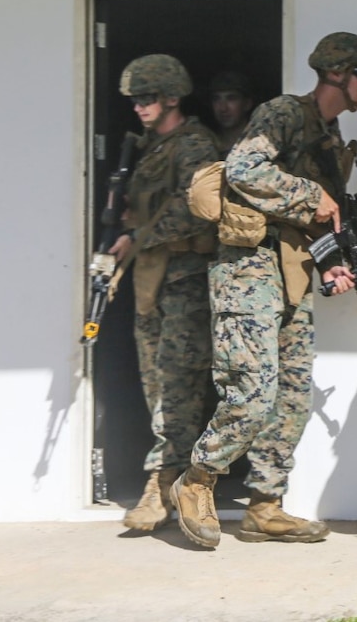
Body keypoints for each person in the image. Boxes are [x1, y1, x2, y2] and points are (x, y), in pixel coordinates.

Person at [171, 32, 357, 549]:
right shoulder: (284, 113)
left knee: (290, 396)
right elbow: (245, 168)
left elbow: (316, 219)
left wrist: (334, 263)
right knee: (252, 389)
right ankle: (196, 479)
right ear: (337, 73)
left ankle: (265, 506)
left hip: (292, 271)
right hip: (247, 269)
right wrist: (312, 194)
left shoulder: (330, 137)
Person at [111, 54, 220, 532]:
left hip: (184, 283)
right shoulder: (150, 149)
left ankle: (161, 486)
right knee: (157, 386)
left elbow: (193, 208)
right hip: (151, 281)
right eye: (134, 99)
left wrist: (138, 237)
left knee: (178, 387)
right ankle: (170, 482)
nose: (138, 107)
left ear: (172, 97)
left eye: (146, 98)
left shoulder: (195, 144)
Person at [208, 70, 255, 156]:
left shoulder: (260, 145)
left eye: (231, 98)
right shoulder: (205, 146)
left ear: (247, 104)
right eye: (216, 99)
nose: (223, 108)